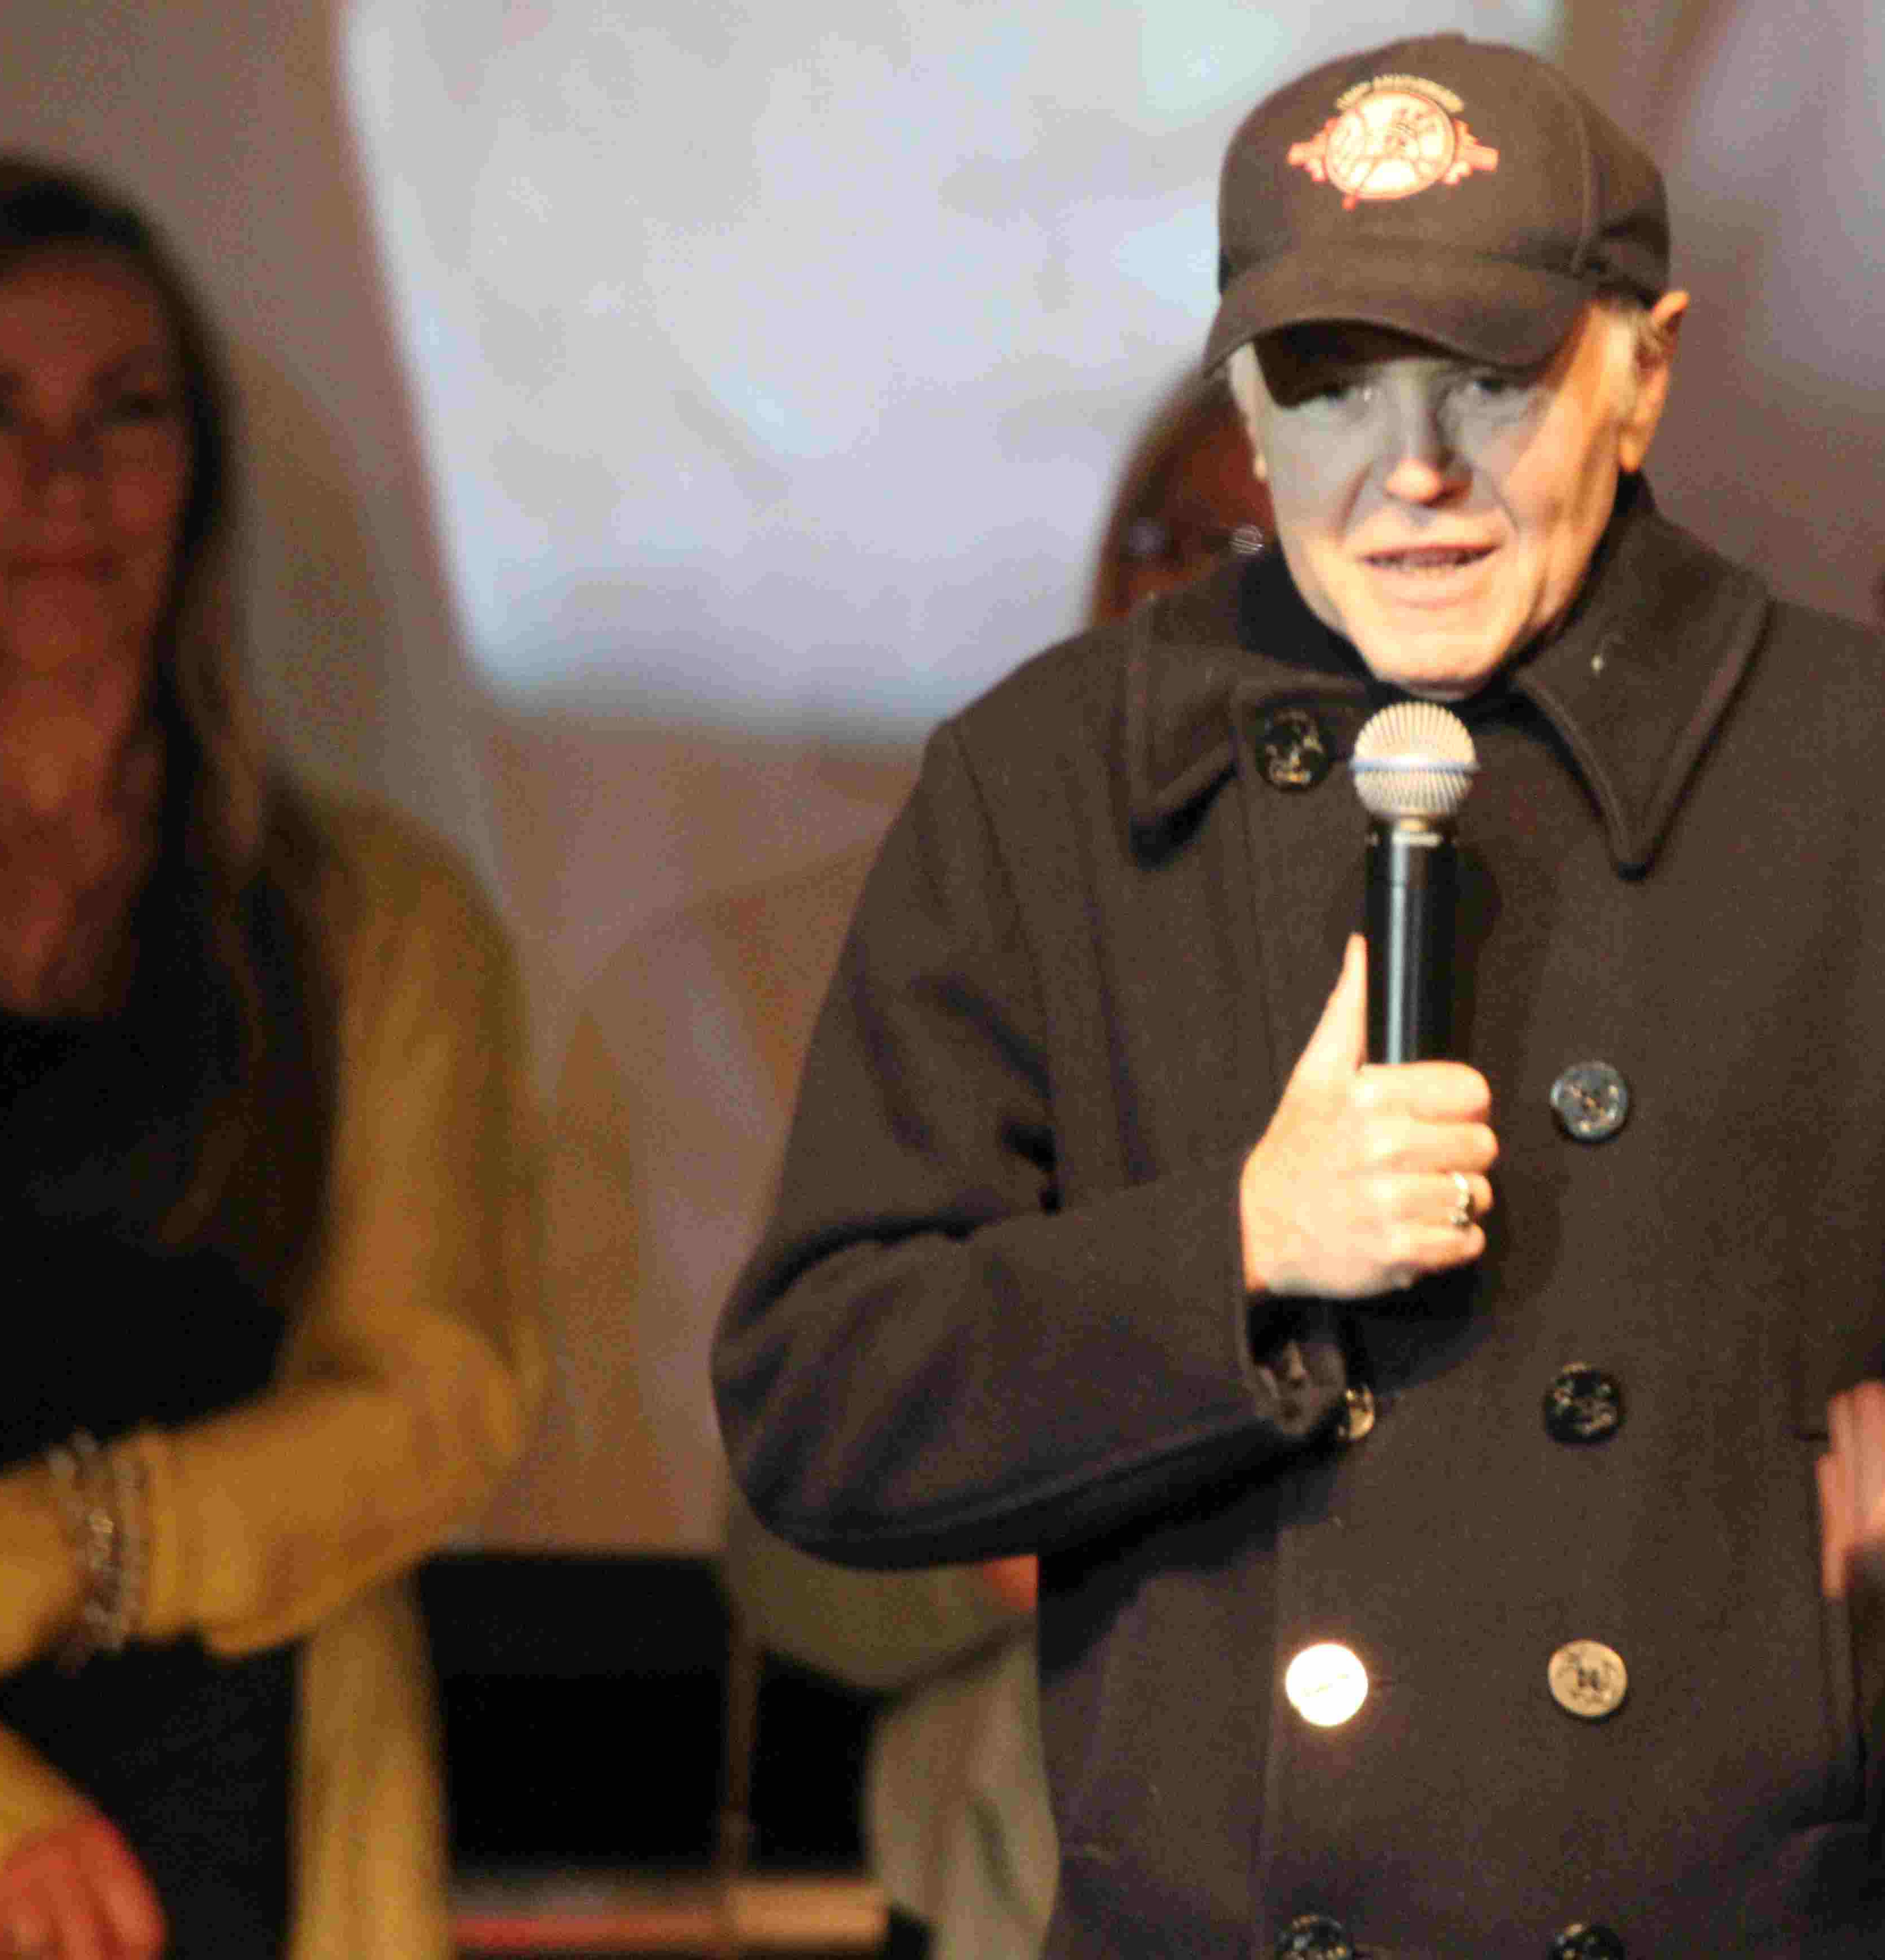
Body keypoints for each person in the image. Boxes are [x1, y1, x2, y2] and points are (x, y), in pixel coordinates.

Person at [716, 34, 1885, 1957]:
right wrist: (1237, 1249)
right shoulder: (1049, 786)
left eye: (1491, 378)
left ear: (1646, 372)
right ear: (1247, 406)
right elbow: (820, 1393)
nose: (1415, 472)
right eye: (1332, 387)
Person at [0, 158, 542, 1959]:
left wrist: (68, 1546)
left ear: (201, 477)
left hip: (240, 1829)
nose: (57, 482)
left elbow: (441, 1396)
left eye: (124, 412)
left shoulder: (377, 922)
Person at [715, 373, 1270, 1960]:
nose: (1198, 600)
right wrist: (999, 1542)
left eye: (1275, 550)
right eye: (1178, 539)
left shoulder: (1533, 969)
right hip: (1022, 1880)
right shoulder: (995, 970)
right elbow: (787, 1543)